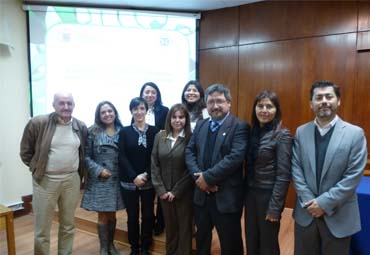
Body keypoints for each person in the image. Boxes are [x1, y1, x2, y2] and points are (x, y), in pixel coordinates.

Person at [292, 80, 367, 255]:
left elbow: (353, 176)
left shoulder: (355, 134)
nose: (324, 101)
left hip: (339, 215)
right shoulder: (301, 132)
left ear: (338, 101)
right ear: (311, 104)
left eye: (329, 96)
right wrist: (311, 201)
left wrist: (323, 203)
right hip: (306, 213)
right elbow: (296, 169)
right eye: (318, 97)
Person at [20, 92, 87, 255]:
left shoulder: (80, 126)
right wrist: (38, 168)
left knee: (68, 225)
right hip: (45, 181)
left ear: (74, 105)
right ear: (53, 105)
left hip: (71, 180)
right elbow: (25, 152)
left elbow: (83, 152)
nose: (66, 107)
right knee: (42, 229)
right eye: (61, 103)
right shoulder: (39, 123)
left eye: (69, 103)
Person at [185, 83, 249, 255]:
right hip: (201, 196)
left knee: (231, 244)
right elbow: (190, 152)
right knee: (202, 241)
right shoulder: (201, 125)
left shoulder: (239, 126)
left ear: (229, 103)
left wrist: (207, 178)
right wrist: (200, 179)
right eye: (211, 101)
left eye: (220, 101)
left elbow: (235, 158)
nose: (215, 106)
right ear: (206, 104)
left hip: (226, 197)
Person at [244, 90, 292, 255]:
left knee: (268, 244)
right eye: (260, 106)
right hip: (250, 194)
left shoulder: (282, 135)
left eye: (269, 106)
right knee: (251, 239)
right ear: (255, 109)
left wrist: (274, 208)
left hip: (268, 195)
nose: (264, 110)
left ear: (276, 110)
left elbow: (284, 174)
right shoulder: (251, 132)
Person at [81, 101, 124, 255]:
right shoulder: (92, 131)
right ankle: (103, 247)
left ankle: (111, 245)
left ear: (115, 112)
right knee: (103, 214)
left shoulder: (122, 130)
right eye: (103, 112)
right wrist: (98, 170)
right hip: (100, 179)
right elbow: (85, 156)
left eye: (110, 111)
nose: (107, 114)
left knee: (112, 213)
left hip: (117, 178)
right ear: (99, 116)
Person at [118, 97, 159, 255]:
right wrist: (134, 176)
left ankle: (145, 248)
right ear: (131, 111)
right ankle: (134, 247)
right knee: (132, 216)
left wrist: (146, 175)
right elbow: (122, 156)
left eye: (142, 108)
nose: (139, 112)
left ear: (146, 110)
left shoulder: (155, 131)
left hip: (148, 181)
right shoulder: (124, 131)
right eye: (135, 109)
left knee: (148, 216)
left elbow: (155, 157)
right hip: (129, 181)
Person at [151, 103, 194, 255]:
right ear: (169, 119)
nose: (177, 120)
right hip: (164, 193)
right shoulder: (160, 136)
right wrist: (161, 190)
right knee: (170, 227)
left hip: (184, 192)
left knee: (184, 227)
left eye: (181, 117)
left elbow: (191, 168)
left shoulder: (191, 138)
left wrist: (176, 191)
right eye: (174, 117)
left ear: (186, 119)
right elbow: (154, 164)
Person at [139, 81, 169, 235]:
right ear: (142, 94)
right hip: (144, 156)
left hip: (161, 154)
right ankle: (149, 221)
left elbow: (168, 132)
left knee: (161, 188)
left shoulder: (165, 111)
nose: (149, 95)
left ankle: (160, 223)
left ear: (157, 95)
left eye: (153, 92)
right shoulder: (138, 110)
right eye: (146, 92)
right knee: (148, 191)